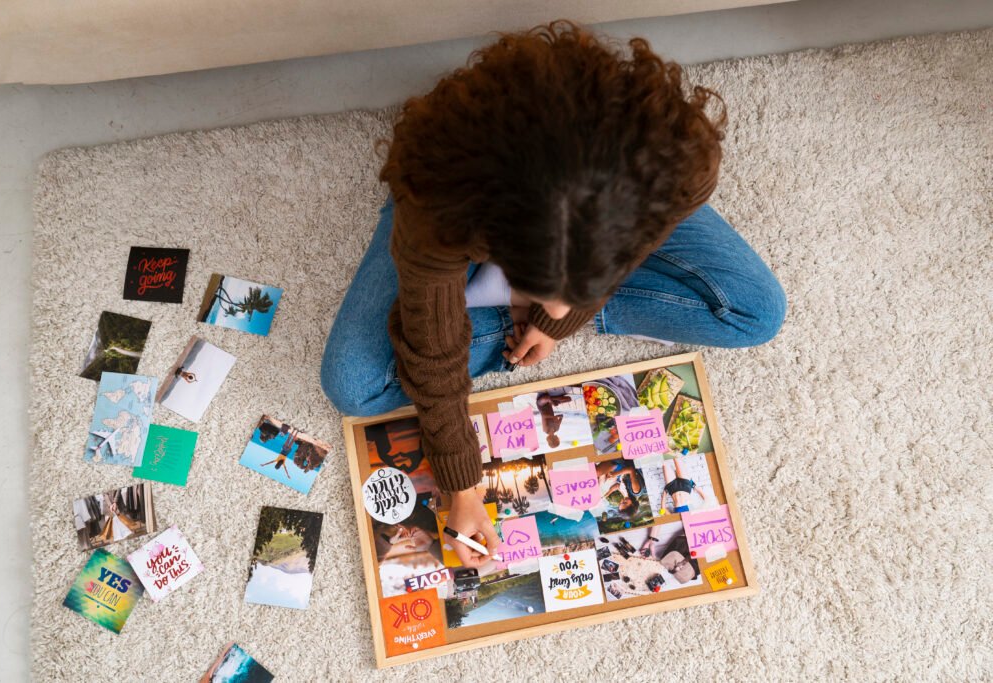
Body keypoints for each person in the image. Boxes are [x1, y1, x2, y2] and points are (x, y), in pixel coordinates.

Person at [321, 21, 786, 568]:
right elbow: (432, 339)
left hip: (611, 198)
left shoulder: (670, 166)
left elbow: (634, 242)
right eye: (540, 287)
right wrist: (461, 485)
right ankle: (495, 304)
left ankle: (512, 310)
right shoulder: (440, 207)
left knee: (758, 313)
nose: (559, 300)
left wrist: (561, 316)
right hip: (463, 212)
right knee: (353, 385)